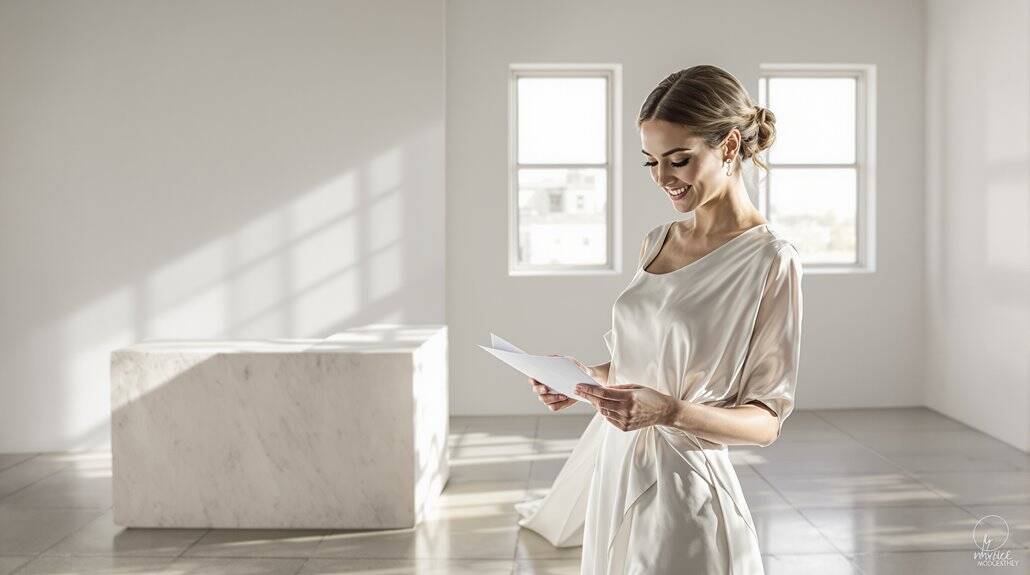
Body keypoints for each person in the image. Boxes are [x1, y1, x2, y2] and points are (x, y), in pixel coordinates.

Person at [516, 64, 804, 574]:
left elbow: (765, 423)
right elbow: (647, 363)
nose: (662, 178)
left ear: (731, 146)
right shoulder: (658, 241)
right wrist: (585, 379)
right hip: (617, 467)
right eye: (651, 162)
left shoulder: (769, 260)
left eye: (679, 160)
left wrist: (669, 411)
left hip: (684, 486)